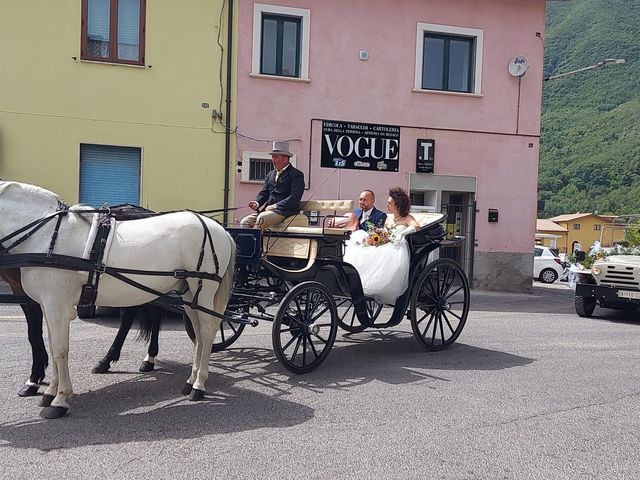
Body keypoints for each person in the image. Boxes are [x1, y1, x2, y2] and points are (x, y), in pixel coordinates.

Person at [343, 187, 420, 304]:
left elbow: (416, 226)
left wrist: (402, 233)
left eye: (389, 203)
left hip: (397, 247)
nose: (387, 205)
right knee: (363, 251)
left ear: (397, 205)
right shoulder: (389, 219)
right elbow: (382, 232)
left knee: (379, 257)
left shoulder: (407, 218)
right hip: (386, 243)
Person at [240, 141, 305, 230]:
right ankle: (248, 243)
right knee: (245, 222)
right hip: (268, 211)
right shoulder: (270, 174)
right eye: (273, 157)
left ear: (285, 159)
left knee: (262, 219)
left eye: (276, 157)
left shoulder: (296, 174)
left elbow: (295, 197)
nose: (273, 160)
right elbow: (264, 193)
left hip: (285, 211)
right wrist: (257, 203)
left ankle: (256, 242)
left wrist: (275, 206)